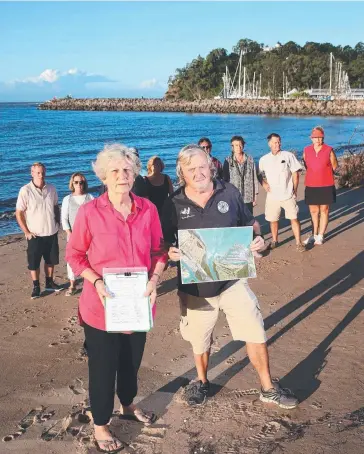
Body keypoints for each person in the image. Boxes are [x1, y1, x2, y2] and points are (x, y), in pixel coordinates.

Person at [161, 145, 298, 409]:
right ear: (182, 173)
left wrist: (259, 241)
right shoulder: (173, 203)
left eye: (202, 166)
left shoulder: (229, 192)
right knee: (200, 339)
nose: (198, 173)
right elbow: (162, 243)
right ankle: (201, 382)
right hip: (196, 288)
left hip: (233, 280)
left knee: (255, 331)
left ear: (211, 166)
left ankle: (268, 388)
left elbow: (250, 225)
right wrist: (170, 252)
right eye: (191, 169)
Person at [66, 144, 167, 453]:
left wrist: (155, 279)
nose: (122, 176)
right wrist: (95, 280)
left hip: (138, 304)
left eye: (127, 170)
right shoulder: (89, 212)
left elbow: (159, 251)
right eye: (115, 171)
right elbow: (74, 255)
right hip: (101, 306)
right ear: (104, 178)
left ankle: (127, 404)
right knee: (103, 366)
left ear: (135, 173)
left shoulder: (148, 209)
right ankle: (100, 424)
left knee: (131, 362)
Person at [16, 162, 63, 299]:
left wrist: (57, 224)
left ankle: (49, 283)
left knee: (51, 260)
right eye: (37, 172)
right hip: (35, 234)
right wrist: (26, 231)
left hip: (51, 232)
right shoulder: (25, 190)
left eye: (42, 172)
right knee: (34, 262)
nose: (41, 175)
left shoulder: (52, 188)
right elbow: (19, 213)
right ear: (32, 173)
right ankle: (36, 286)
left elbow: (55, 207)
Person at [258, 134, 305, 252]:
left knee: (294, 218)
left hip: (288, 195)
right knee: (273, 219)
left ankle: (299, 243)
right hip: (272, 196)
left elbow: (295, 173)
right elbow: (259, 174)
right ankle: (275, 240)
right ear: (269, 144)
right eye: (274, 142)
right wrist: (264, 184)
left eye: (279, 142)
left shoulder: (288, 156)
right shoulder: (264, 159)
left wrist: (294, 189)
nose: (277, 144)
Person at [303, 126, 338, 246]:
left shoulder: (329, 149)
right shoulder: (306, 150)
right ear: (311, 138)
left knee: (324, 210)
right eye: (315, 137)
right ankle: (314, 235)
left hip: (326, 184)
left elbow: (334, 166)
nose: (317, 140)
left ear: (323, 138)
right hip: (311, 184)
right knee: (313, 211)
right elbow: (306, 165)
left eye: (320, 137)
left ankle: (320, 236)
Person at [61, 172, 94, 296]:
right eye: (76, 182)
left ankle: (89, 283)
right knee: (72, 260)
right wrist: (70, 233)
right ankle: (72, 284)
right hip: (73, 236)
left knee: (89, 259)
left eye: (81, 182)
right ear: (72, 183)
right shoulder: (67, 199)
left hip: (89, 236)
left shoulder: (90, 197)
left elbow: (95, 216)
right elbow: (64, 219)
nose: (79, 184)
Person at [223, 135, 259, 214]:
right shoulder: (228, 161)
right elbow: (225, 181)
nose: (238, 147)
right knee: (236, 221)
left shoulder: (250, 159)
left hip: (248, 197)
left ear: (243, 145)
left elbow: (254, 178)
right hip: (233, 197)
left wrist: (255, 197)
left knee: (248, 222)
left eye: (240, 144)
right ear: (232, 147)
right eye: (236, 145)